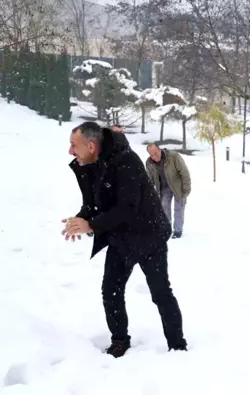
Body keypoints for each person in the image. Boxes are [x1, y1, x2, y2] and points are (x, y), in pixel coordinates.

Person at [62, 122, 187, 358]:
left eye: (73, 145)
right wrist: (81, 219)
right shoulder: (88, 163)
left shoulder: (126, 161)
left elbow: (128, 206)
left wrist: (92, 225)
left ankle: (178, 346)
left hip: (149, 235)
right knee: (110, 290)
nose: (70, 151)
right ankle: (119, 340)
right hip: (121, 238)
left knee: (160, 292)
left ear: (90, 145)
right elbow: (93, 203)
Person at [145, 143, 192, 239]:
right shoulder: (149, 163)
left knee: (179, 209)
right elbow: (149, 179)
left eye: (155, 153)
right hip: (164, 188)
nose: (154, 156)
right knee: (164, 207)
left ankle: (178, 231)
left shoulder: (173, 157)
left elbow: (184, 172)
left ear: (159, 149)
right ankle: (167, 229)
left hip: (178, 186)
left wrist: (186, 188)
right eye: (151, 154)